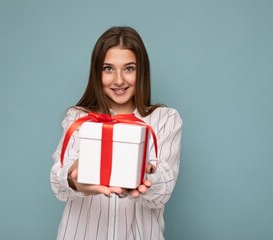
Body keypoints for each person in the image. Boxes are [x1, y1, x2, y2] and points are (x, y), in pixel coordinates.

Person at [50, 26, 182, 240]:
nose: (119, 80)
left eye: (129, 68)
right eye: (108, 69)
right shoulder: (78, 118)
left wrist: (144, 175)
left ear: (142, 72)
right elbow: (57, 182)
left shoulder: (165, 119)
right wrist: (74, 179)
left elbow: (163, 191)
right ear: (97, 72)